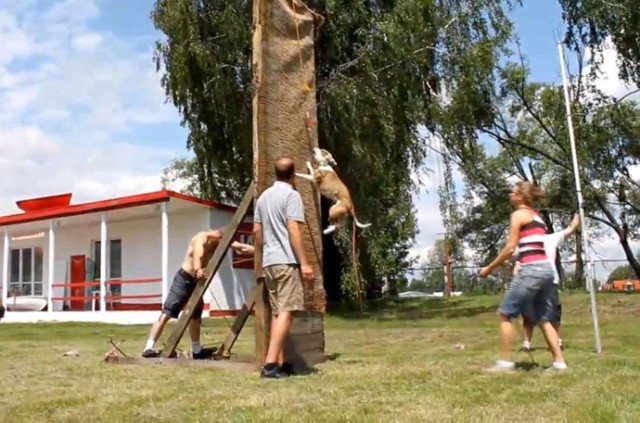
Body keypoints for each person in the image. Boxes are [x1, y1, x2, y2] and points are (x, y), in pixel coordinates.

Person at [479, 181, 567, 372]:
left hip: (531, 270)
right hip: (546, 270)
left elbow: (510, 248)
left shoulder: (518, 214)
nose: (510, 194)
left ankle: (504, 362)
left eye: (513, 191)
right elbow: (526, 246)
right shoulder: (538, 217)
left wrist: (489, 268)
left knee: (505, 313)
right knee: (543, 317)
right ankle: (559, 363)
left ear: (521, 196)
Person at [141, 229, 254, 359]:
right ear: (217, 234)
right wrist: (198, 268)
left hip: (197, 281)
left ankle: (197, 350)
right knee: (168, 311)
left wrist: (262, 251)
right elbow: (197, 254)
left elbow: (242, 248)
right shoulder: (201, 237)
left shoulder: (222, 239)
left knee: (195, 315)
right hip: (184, 278)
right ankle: (148, 348)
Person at [253, 157, 314, 379]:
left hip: (270, 262)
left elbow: (257, 233)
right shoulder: (291, 195)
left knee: (279, 312)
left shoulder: (262, 198)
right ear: (293, 174)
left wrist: (265, 253)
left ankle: (278, 362)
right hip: (287, 262)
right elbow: (293, 228)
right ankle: (270, 366)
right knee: (288, 311)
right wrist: (305, 262)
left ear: (275, 173)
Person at [518, 213, 581, 351]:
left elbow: (571, 228)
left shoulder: (552, 238)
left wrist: (578, 214)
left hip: (550, 282)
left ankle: (557, 342)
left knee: (554, 313)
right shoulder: (524, 241)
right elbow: (517, 261)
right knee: (529, 314)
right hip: (531, 282)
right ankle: (527, 343)